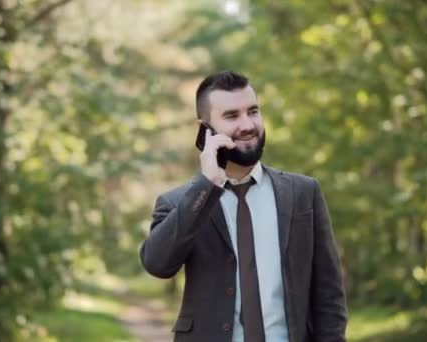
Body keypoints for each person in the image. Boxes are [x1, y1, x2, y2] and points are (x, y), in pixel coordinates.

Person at [140, 70, 347, 342]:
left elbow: (328, 296)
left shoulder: (302, 194)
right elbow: (157, 264)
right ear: (205, 129)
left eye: (253, 111)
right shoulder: (181, 203)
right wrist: (207, 186)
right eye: (231, 116)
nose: (247, 124)